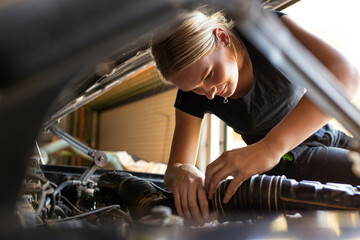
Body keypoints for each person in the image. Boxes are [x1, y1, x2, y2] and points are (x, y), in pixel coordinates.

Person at [151, 8, 360, 226]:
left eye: (209, 75)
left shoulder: (263, 30)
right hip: (289, 161)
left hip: (325, 135)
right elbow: (175, 168)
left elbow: (347, 74)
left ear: (222, 37)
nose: (209, 92)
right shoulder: (195, 95)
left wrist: (270, 147)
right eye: (195, 88)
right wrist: (182, 171)